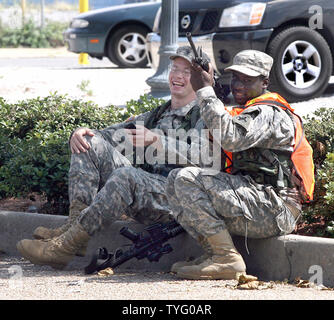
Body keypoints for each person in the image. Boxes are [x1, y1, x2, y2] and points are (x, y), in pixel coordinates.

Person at [16, 46, 217, 270]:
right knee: (89, 143)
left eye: (187, 71)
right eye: (174, 68)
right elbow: (113, 134)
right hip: (146, 194)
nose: (177, 76)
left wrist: (157, 141)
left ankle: (67, 246)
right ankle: (73, 228)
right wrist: (82, 132)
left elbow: (206, 158)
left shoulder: (206, 114)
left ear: (201, 79)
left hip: (177, 202)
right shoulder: (159, 113)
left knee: (126, 176)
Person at [165, 50, 315, 280]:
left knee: (187, 179)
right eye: (236, 78)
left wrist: (205, 90)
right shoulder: (245, 110)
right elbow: (209, 151)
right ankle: (214, 254)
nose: (238, 84)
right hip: (256, 199)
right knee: (176, 179)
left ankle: (227, 260)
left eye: (248, 80)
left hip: (276, 207)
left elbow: (230, 137)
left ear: (265, 82)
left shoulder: (268, 112)